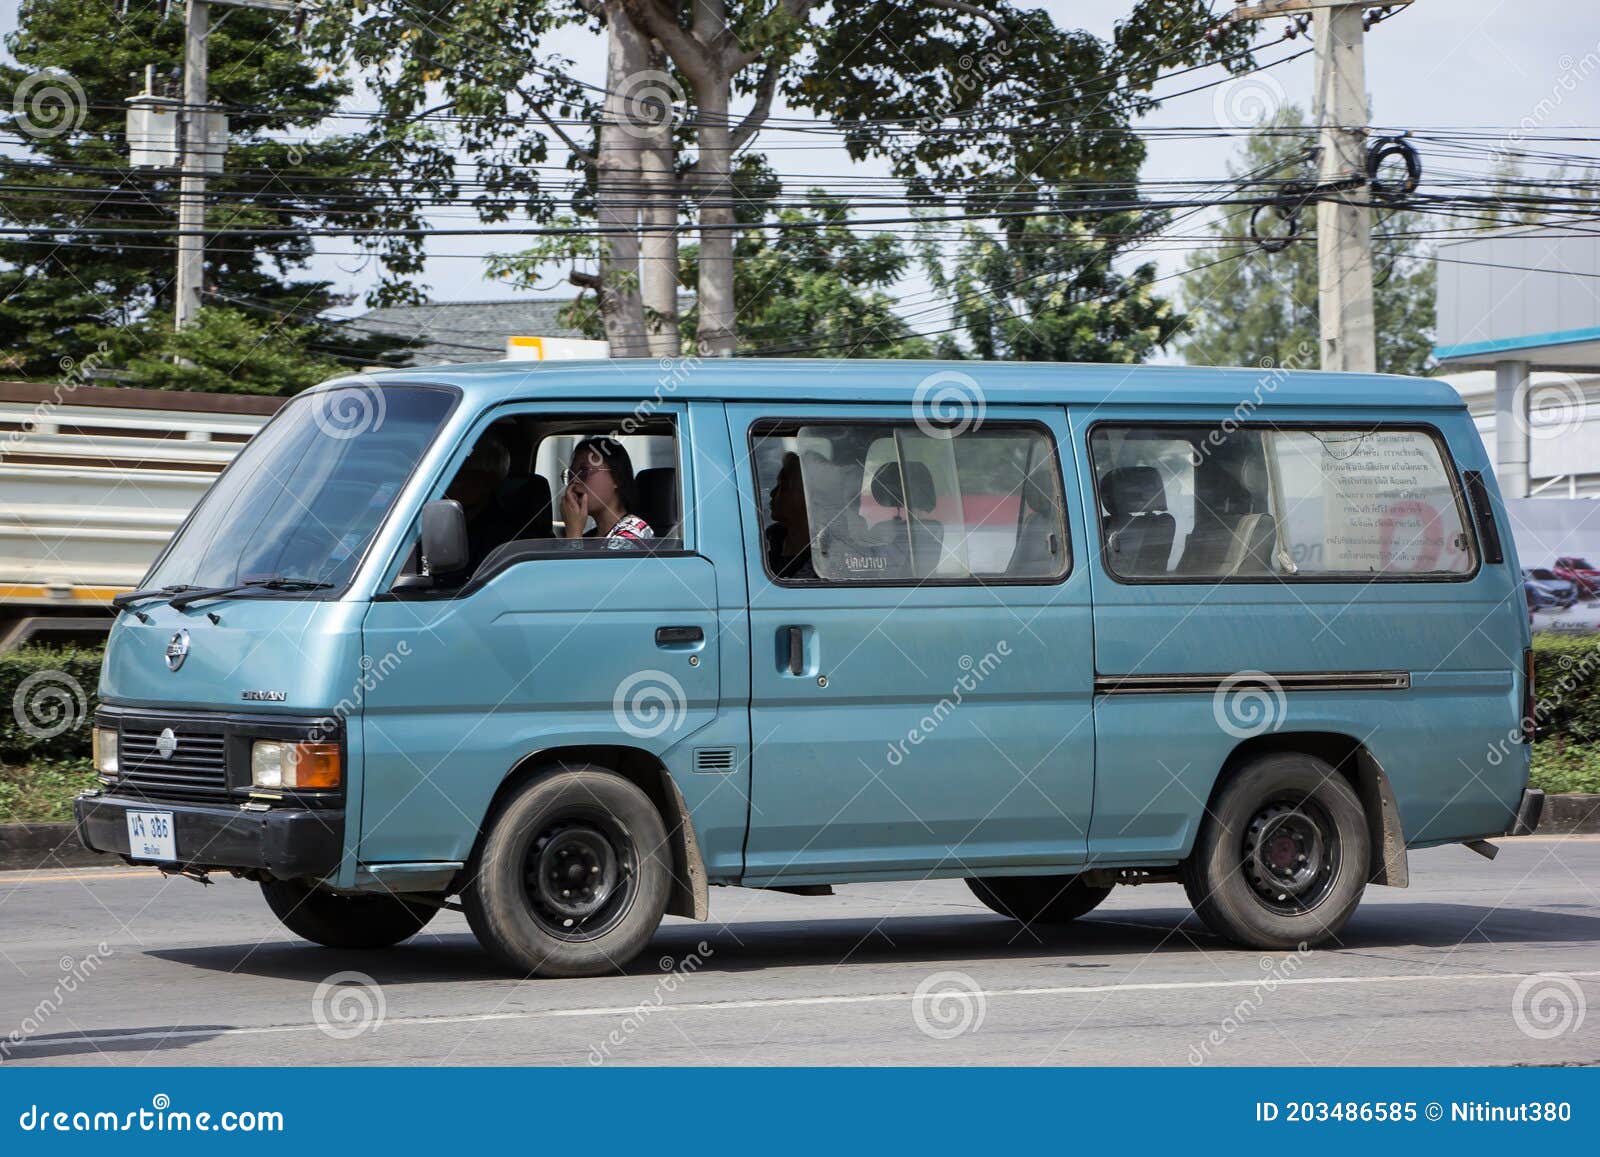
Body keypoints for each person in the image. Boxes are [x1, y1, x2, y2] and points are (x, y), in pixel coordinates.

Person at [561, 436, 654, 548]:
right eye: (571, 474)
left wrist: (573, 533)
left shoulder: (633, 533)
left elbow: (574, 566)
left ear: (617, 478)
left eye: (584, 471)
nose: (574, 480)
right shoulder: (589, 538)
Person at [765, 451, 816, 579]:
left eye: (782, 486)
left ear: (803, 495)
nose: (772, 493)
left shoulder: (828, 556)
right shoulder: (771, 539)